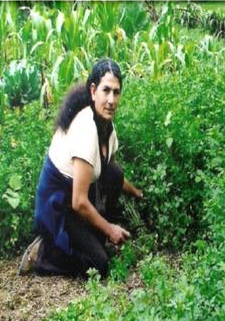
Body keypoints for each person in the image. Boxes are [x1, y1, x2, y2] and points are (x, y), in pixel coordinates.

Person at [19, 58, 143, 278]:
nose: (111, 100)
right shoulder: (86, 126)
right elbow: (78, 201)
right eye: (106, 91)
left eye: (116, 92)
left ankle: (92, 237)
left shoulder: (107, 127)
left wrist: (136, 193)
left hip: (78, 200)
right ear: (93, 91)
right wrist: (109, 228)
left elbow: (110, 169)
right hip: (59, 207)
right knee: (99, 265)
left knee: (115, 173)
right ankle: (44, 253)